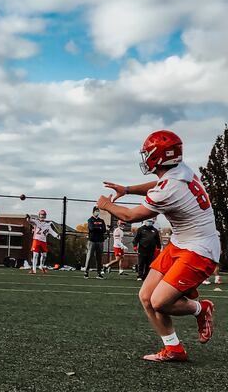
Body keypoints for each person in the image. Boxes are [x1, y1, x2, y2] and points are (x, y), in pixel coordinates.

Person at [100, 130, 218, 363]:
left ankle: (200, 308)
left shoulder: (170, 188)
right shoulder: (179, 172)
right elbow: (159, 183)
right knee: (146, 296)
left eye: (148, 153)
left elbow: (131, 215)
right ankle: (173, 348)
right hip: (181, 242)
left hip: (199, 249)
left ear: (158, 156)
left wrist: (105, 205)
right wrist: (127, 189)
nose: (145, 158)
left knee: (160, 302)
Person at [27, 209, 59, 274]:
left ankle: (41, 266)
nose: (42, 216)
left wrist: (57, 236)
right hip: (36, 240)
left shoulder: (48, 225)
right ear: (39, 215)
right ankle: (34, 270)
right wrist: (28, 217)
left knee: (44, 255)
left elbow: (52, 232)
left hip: (43, 241)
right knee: (35, 255)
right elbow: (29, 221)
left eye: (43, 215)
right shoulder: (36, 222)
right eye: (41, 214)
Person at [84, 207, 107, 279]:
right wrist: (99, 228)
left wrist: (97, 228)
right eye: (96, 211)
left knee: (99, 258)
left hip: (100, 241)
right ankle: (86, 272)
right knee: (89, 256)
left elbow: (104, 230)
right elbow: (91, 228)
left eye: (98, 211)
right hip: (92, 241)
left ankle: (99, 273)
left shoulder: (102, 220)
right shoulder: (90, 220)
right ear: (93, 212)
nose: (97, 212)